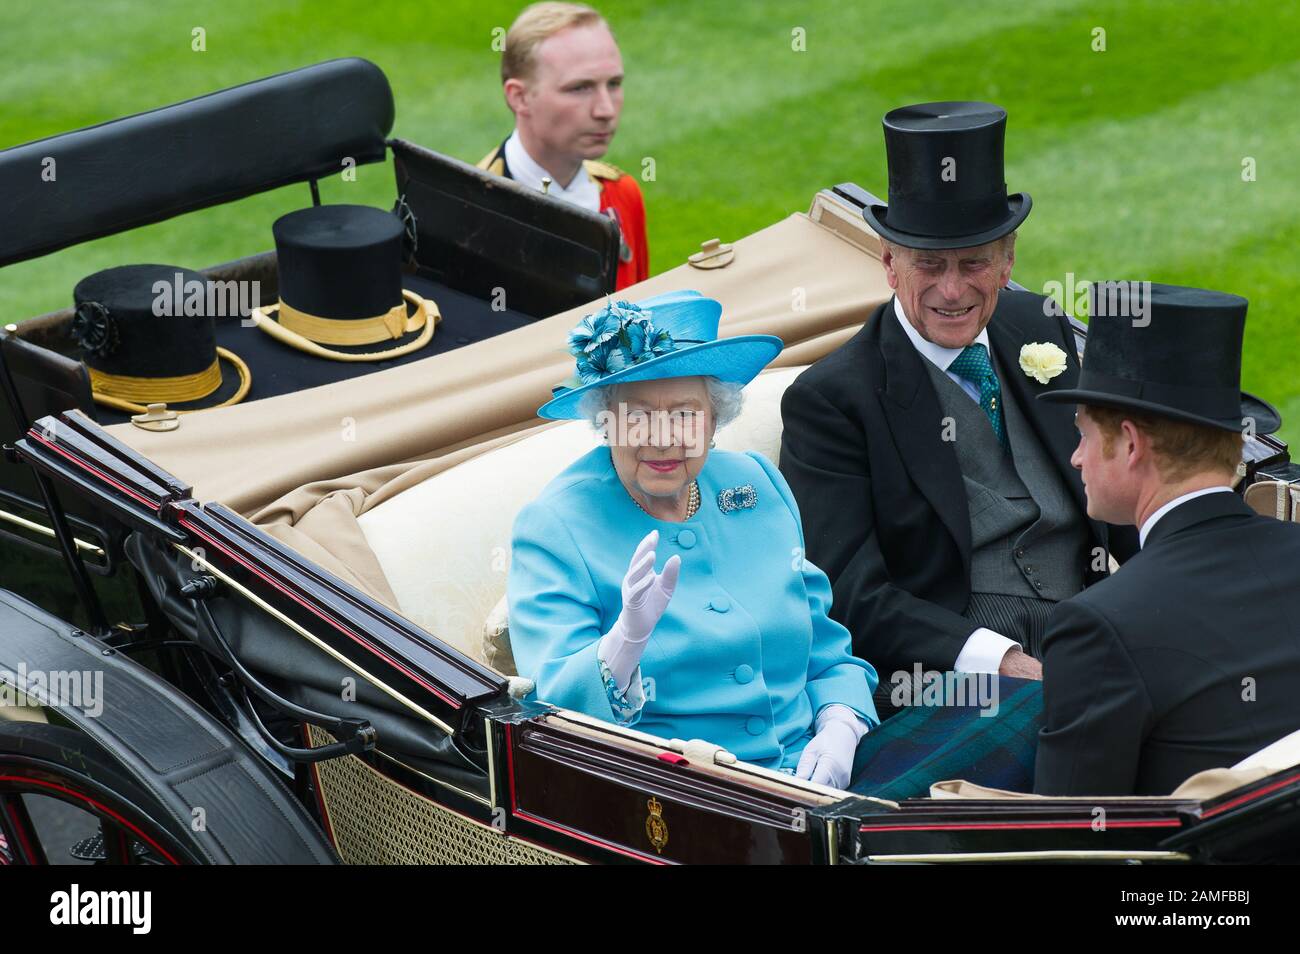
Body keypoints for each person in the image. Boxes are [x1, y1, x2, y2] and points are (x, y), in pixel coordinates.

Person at [507, 292, 1045, 798]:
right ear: (606, 421)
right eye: (638, 415)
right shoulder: (557, 525)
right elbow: (550, 713)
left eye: (685, 413)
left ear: (715, 419)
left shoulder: (757, 484)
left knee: (1036, 708)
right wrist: (622, 645)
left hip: (831, 773)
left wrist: (841, 723)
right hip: (690, 796)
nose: (664, 438)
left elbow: (829, 654)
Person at [779, 102, 1137, 691]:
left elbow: (1127, 492)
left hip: (1093, 624)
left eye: (974, 263)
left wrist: (1174, 590)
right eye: (929, 265)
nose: (952, 290)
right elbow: (849, 594)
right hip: (952, 670)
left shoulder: (1038, 323)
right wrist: (999, 661)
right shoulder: (831, 399)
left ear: (1008, 261)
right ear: (890, 263)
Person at [1033, 282, 1300, 796]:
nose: (1076, 458)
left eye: (1084, 434)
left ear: (1130, 444)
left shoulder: (1098, 625)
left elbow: (1069, 838)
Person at [478, 2, 648, 290]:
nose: (605, 109)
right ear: (519, 97)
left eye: (614, 83)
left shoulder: (623, 195)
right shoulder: (474, 213)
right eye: (580, 88)